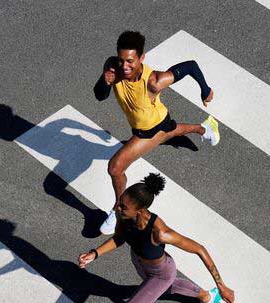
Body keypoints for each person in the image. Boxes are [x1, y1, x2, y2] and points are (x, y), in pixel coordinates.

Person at [78, 173, 235, 303]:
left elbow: (199, 249)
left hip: (161, 273)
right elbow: (120, 237)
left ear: (141, 210)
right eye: (120, 202)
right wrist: (95, 253)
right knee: (168, 288)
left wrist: (221, 285)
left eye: (123, 206)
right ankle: (207, 296)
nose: (118, 208)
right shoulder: (124, 216)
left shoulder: (159, 232)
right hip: (140, 264)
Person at [94, 30, 220, 234]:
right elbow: (99, 96)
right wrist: (105, 81)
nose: (124, 67)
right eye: (121, 60)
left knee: (115, 168)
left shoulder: (154, 81)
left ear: (142, 58)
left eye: (130, 61)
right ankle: (204, 127)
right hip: (151, 126)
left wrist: (205, 90)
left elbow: (190, 66)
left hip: (152, 129)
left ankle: (119, 209)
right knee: (173, 132)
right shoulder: (113, 67)